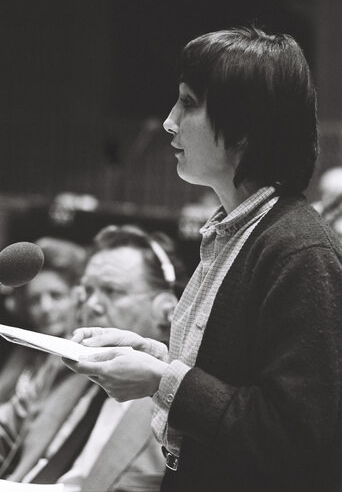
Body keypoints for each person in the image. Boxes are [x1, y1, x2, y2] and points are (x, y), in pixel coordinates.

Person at [64, 26, 342, 492]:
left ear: (246, 126)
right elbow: (232, 379)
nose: (170, 122)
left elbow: (296, 437)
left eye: (189, 103)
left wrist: (161, 381)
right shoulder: (237, 230)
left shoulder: (299, 250)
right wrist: (156, 357)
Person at [0, 224, 187, 492]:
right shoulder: (63, 365)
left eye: (111, 291)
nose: (91, 305)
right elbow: (6, 430)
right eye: (87, 291)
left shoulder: (178, 400)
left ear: (165, 309)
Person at [0, 236, 86, 403]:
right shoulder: (22, 352)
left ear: (78, 296)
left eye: (56, 296)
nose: (46, 308)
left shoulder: (81, 359)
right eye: (35, 300)